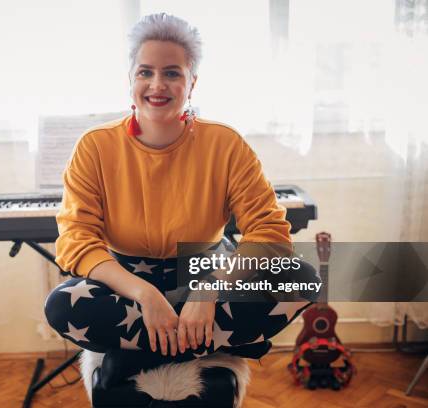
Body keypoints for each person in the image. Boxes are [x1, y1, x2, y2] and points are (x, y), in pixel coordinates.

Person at [44, 13, 318, 386]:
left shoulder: (225, 143)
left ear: (192, 82)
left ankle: (134, 352)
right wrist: (146, 295)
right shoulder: (94, 146)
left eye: (172, 73)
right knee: (61, 305)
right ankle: (217, 342)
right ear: (130, 80)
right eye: (145, 72)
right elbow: (77, 239)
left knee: (301, 280)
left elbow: (269, 233)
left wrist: (208, 292)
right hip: (125, 280)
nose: (157, 84)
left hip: (205, 269)